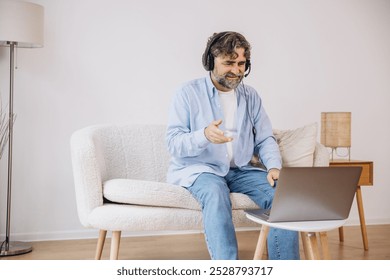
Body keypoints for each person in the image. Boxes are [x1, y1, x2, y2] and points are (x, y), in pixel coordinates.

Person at [165, 31, 299, 260]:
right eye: (228, 63)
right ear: (211, 61)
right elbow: (173, 143)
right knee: (216, 193)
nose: (236, 70)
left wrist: (274, 168)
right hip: (201, 169)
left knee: (284, 196)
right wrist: (204, 135)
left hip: (241, 170)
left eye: (241, 63)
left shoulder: (251, 96)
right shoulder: (187, 93)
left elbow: (266, 138)